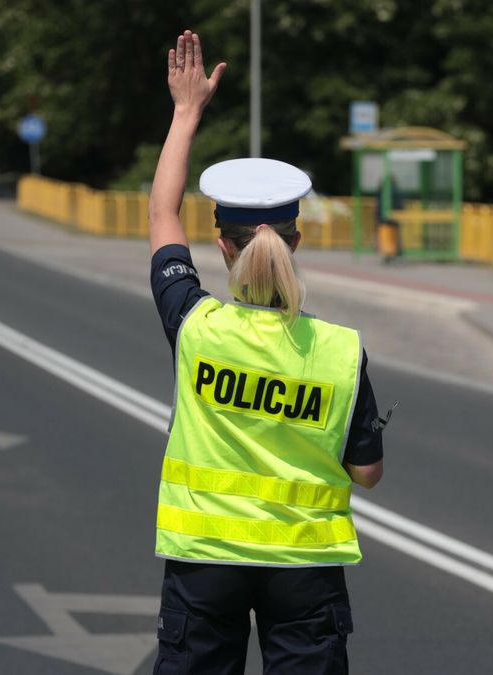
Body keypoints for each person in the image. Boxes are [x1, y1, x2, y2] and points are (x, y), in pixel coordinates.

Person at [147, 30, 387, 674]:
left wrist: (187, 112)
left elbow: (161, 214)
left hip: (205, 561)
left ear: (221, 244)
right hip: (305, 570)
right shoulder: (340, 350)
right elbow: (367, 472)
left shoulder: (196, 326)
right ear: (296, 240)